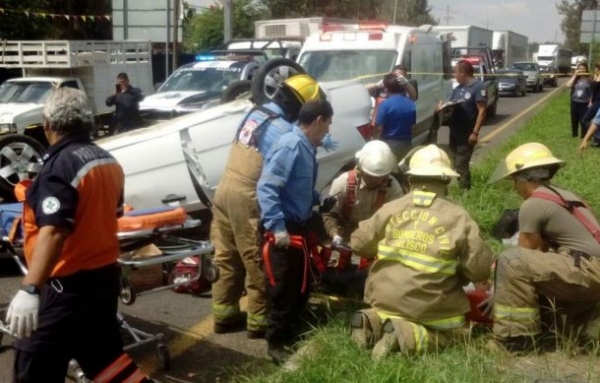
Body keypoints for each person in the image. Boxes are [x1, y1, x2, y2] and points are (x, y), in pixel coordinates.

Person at [5, 87, 152, 382]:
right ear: (86, 122)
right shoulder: (108, 161)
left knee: (33, 367)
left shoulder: (59, 167)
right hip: (101, 282)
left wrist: (31, 288)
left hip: (64, 288)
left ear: (48, 125)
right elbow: (113, 213)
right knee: (106, 361)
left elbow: (56, 230)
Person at [349, 144, 493, 359]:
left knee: (385, 311)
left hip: (383, 299)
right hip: (428, 308)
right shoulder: (458, 217)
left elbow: (358, 243)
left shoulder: (391, 208)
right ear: (446, 180)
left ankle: (371, 321)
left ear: (410, 179)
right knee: (457, 334)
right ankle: (405, 335)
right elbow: (480, 271)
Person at [210, 74, 323, 339]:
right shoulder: (284, 131)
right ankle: (260, 322)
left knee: (227, 257)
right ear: (299, 106)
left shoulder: (254, 113)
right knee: (258, 258)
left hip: (224, 190)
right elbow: (279, 177)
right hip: (248, 196)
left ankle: (224, 315)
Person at [488, 142, 600, 352]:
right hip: (590, 268)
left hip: (589, 270)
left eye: (515, 180)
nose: (514, 187)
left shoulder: (533, 204)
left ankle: (515, 340)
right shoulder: (564, 195)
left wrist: (496, 291)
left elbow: (524, 256)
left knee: (511, 261)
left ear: (525, 178)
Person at [257, 99, 334, 365]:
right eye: (328, 124)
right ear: (319, 120)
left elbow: (296, 188)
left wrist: (318, 199)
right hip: (283, 231)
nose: (328, 131)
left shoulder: (306, 147)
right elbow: (267, 188)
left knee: (301, 285)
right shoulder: (290, 146)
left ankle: (292, 333)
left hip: (299, 227)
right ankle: (275, 343)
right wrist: (277, 228)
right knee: (283, 289)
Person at [323, 140, 402, 261]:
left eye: (381, 178)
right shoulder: (343, 183)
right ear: (361, 169)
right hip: (346, 239)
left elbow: (400, 221)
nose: (376, 181)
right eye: (371, 177)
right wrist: (335, 235)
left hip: (377, 241)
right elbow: (329, 214)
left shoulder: (393, 188)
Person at [438, 60, 487, 190]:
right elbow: (451, 106)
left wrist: (475, 132)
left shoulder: (478, 87)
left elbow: (482, 110)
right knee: (453, 161)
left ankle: (465, 191)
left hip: (467, 133)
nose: (454, 75)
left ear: (463, 72)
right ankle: (457, 188)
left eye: (456, 72)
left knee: (461, 163)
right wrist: (442, 108)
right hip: (454, 132)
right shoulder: (458, 89)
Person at [372, 73, 417, 162]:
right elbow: (412, 127)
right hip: (407, 143)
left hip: (389, 144)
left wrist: (375, 143)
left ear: (386, 88)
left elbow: (379, 129)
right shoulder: (411, 104)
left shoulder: (385, 105)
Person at [566, 62, 591, 138]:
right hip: (574, 102)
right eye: (580, 69)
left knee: (583, 120)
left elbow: (593, 91)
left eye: (583, 69)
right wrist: (575, 75)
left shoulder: (589, 79)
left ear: (586, 69)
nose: (581, 70)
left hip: (584, 103)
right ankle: (574, 134)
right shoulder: (575, 79)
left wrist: (590, 102)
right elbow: (568, 85)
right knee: (574, 119)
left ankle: (584, 135)